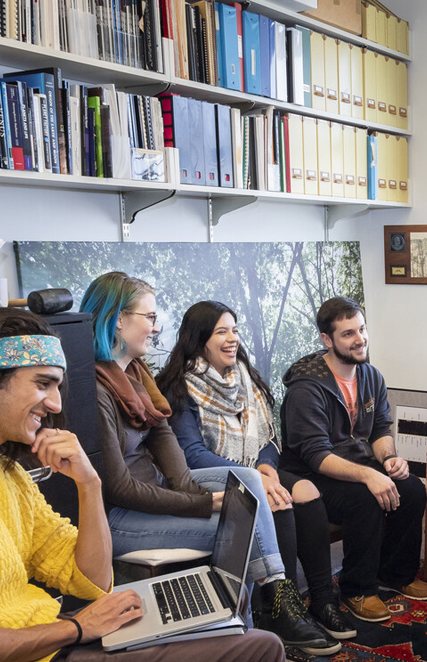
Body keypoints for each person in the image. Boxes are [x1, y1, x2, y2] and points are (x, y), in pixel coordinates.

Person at [0, 306, 284, 662]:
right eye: (42, 384)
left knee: (253, 638)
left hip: (56, 635)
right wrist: (79, 627)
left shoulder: (12, 475)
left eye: (57, 386)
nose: (55, 403)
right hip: (52, 644)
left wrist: (89, 483)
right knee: (262, 648)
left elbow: (93, 581)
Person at [79, 272, 337, 656]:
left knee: (247, 477)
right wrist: (202, 503)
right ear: (118, 319)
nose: (155, 327)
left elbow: (163, 434)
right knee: (239, 521)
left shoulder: (133, 371)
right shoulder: (96, 389)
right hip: (119, 518)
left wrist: (190, 490)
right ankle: (253, 625)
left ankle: (274, 595)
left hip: (159, 490)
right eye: (149, 317)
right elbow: (119, 489)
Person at [157, 300, 355, 640]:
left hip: (254, 469)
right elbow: (191, 455)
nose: (233, 338)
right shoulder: (179, 388)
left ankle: (321, 599)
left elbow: (269, 437)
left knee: (305, 490)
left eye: (234, 329)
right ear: (199, 339)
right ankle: (281, 606)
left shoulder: (246, 379)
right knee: (276, 501)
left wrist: (266, 466)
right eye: (222, 331)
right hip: (209, 481)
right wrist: (256, 479)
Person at [279, 296, 427, 623]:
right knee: (365, 497)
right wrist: (369, 476)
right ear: (327, 339)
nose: (360, 339)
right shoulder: (306, 388)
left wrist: (390, 460)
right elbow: (316, 454)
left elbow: (379, 429)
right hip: (311, 474)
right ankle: (357, 589)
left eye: (362, 329)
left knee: (411, 489)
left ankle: (396, 574)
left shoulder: (370, 376)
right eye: (348, 333)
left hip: (353, 461)